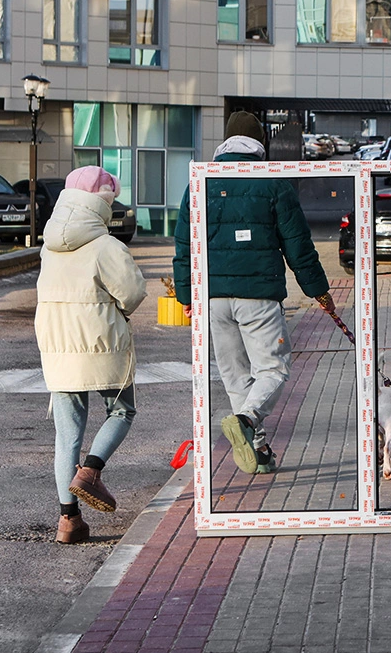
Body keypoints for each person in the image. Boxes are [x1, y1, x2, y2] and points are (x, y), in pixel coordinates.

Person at [172, 112, 333, 475]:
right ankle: (247, 421)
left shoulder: (203, 180)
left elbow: (184, 244)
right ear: (259, 143)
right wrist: (319, 291)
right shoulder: (271, 181)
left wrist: (187, 295)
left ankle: (258, 449)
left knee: (236, 378)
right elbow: (297, 244)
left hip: (214, 298)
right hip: (259, 296)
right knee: (273, 369)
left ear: (226, 142)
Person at [36, 165, 147, 544]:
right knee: (122, 410)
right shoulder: (106, 246)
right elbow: (132, 293)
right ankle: (92, 471)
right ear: (102, 203)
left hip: (57, 347)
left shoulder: (48, 246)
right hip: (101, 344)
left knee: (66, 436)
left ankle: (68, 521)